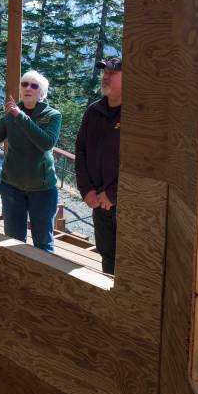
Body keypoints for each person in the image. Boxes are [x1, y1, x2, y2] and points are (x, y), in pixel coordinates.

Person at [0, 70, 61, 253]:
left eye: (34, 85)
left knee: (44, 245)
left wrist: (20, 116)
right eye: (25, 84)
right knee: (13, 243)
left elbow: (46, 143)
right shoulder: (10, 115)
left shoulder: (53, 115)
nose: (28, 88)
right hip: (12, 188)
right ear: (21, 89)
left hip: (43, 190)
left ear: (41, 93)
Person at [74, 56, 122, 275]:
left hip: (127, 205)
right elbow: (81, 150)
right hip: (99, 204)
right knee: (108, 258)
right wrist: (87, 190)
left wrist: (112, 194)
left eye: (112, 72)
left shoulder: (137, 115)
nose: (106, 76)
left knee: (131, 260)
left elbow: (141, 164)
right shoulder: (94, 111)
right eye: (105, 72)